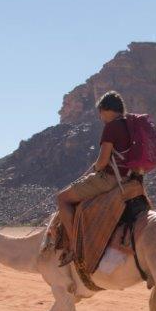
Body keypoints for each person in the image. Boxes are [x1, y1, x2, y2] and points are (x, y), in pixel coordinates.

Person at [56, 90, 136, 253]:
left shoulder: (111, 127)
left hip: (110, 179)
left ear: (106, 110)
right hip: (130, 177)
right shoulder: (130, 124)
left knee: (62, 198)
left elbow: (102, 162)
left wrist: (93, 170)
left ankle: (75, 245)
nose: (100, 117)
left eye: (100, 113)